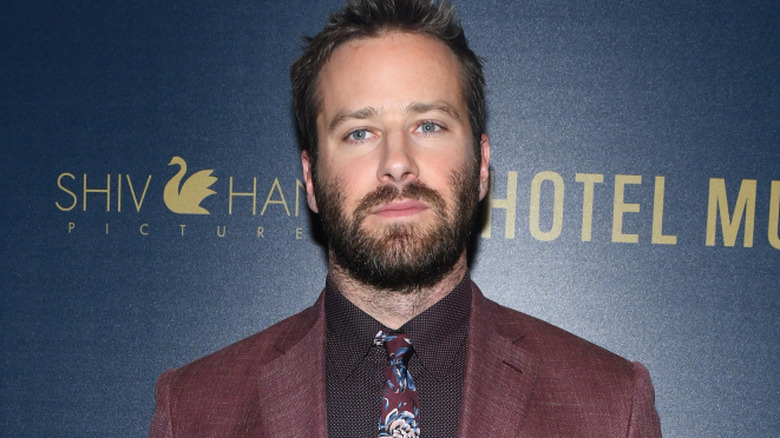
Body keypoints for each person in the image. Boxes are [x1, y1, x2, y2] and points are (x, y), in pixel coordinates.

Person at [148, 0, 662, 436]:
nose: (397, 162)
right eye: (359, 132)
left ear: (481, 166)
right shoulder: (194, 410)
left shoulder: (610, 408)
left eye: (429, 124)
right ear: (310, 178)